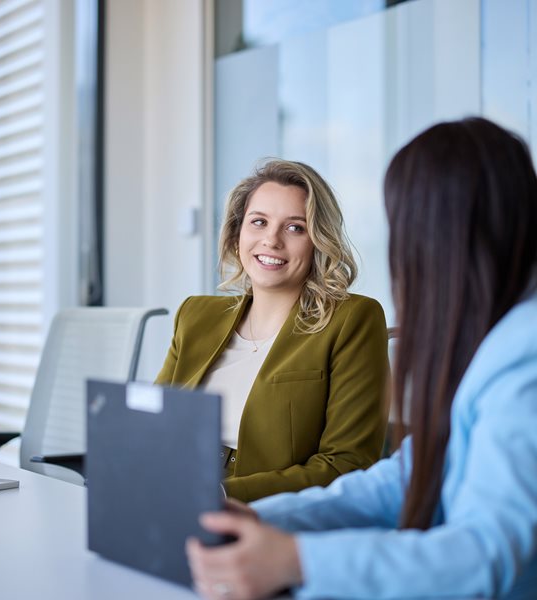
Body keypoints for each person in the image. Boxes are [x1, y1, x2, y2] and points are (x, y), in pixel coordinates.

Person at [186, 117, 537, 599]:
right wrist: (262, 516)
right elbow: (404, 479)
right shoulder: (491, 338)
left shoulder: (523, 357)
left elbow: (487, 552)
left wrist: (296, 560)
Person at [156, 159, 388, 502]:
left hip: (264, 513)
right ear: (238, 236)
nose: (272, 240)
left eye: (295, 227)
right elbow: (152, 425)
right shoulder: (196, 315)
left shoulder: (353, 319)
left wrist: (218, 495)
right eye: (259, 222)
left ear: (318, 242)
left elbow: (347, 464)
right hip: (169, 496)